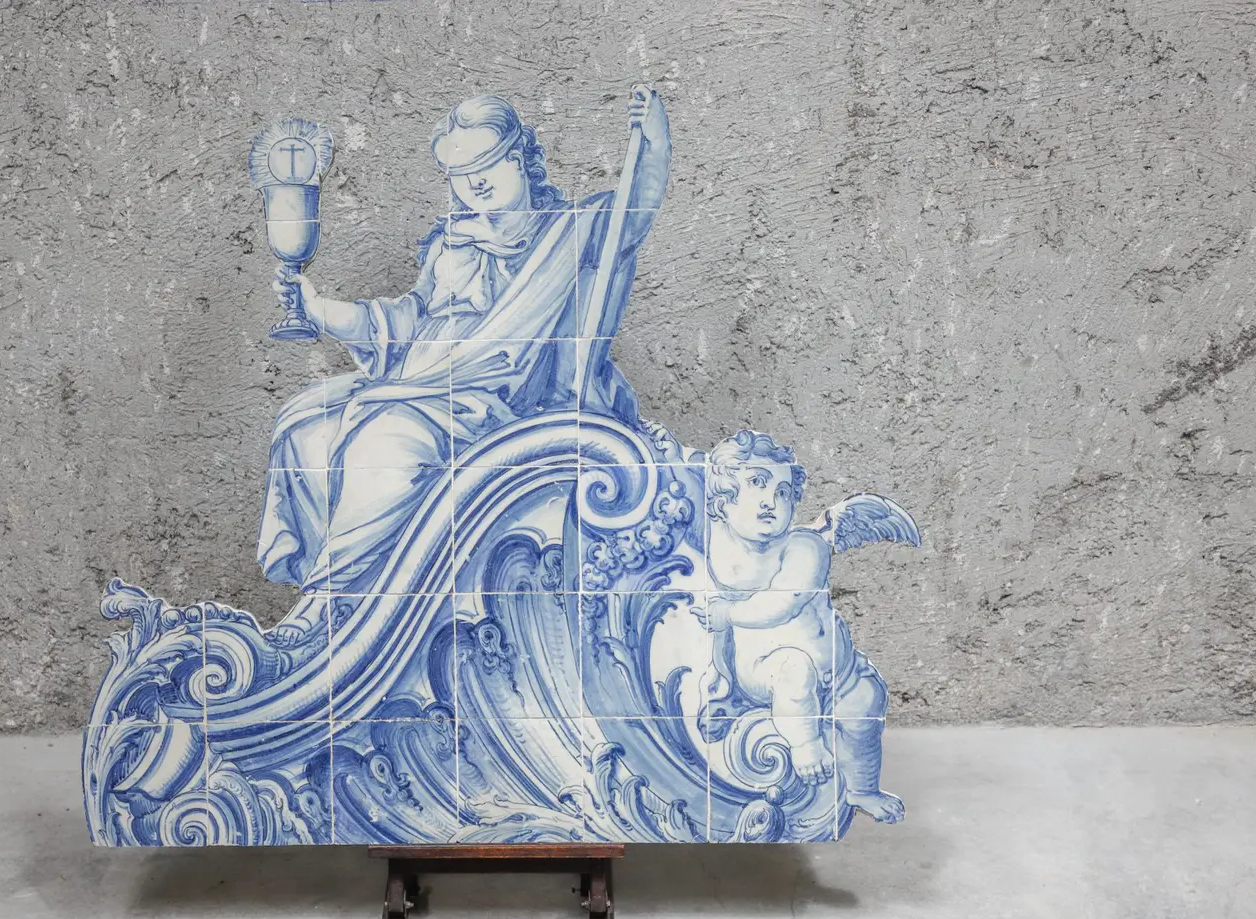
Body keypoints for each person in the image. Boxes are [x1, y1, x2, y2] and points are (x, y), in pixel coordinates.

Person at [258, 88, 671, 632]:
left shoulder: (569, 233)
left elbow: (635, 209)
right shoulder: (452, 246)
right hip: (424, 386)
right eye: (459, 172)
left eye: (486, 164)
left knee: (385, 442)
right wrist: (321, 311)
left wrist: (654, 139)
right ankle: (351, 611)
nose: (474, 182)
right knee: (306, 426)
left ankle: (333, 611)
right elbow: (407, 323)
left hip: (492, 406)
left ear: (518, 159)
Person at [692, 431, 906, 823]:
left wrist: (729, 613)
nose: (770, 501)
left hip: (840, 668)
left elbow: (784, 600)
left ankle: (862, 789)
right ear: (722, 499)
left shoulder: (806, 546)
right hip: (765, 669)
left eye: (783, 492)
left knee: (866, 704)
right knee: (794, 669)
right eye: (757, 483)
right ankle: (806, 746)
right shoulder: (718, 553)